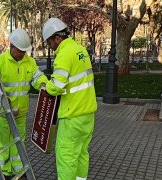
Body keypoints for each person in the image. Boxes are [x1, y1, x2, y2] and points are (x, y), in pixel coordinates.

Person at [0, 28, 48, 179]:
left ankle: (18, 171)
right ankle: (5, 172)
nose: (24, 54)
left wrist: (44, 85)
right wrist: (2, 101)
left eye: (25, 51)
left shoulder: (29, 62)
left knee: (19, 143)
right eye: (21, 51)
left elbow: (38, 77)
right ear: (12, 47)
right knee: (3, 144)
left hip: (20, 113)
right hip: (2, 113)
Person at [42, 17, 97, 180]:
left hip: (71, 115)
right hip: (87, 114)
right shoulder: (80, 49)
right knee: (81, 153)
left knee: (66, 157)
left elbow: (57, 86)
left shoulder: (64, 54)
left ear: (57, 38)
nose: (50, 47)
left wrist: (46, 86)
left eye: (49, 43)